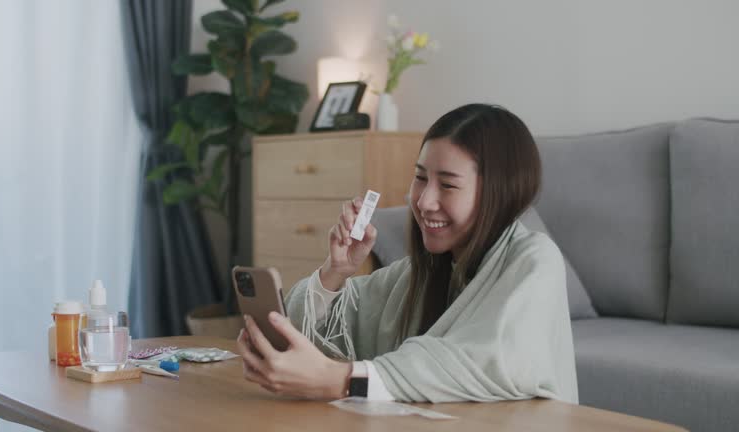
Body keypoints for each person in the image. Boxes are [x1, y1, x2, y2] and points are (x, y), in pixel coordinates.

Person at [236, 103, 578, 404]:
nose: (424, 201)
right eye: (420, 178)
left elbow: (479, 361)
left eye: (447, 184)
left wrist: (339, 380)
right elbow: (316, 334)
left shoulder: (535, 261)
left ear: (498, 193)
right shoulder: (417, 273)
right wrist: (336, 271)